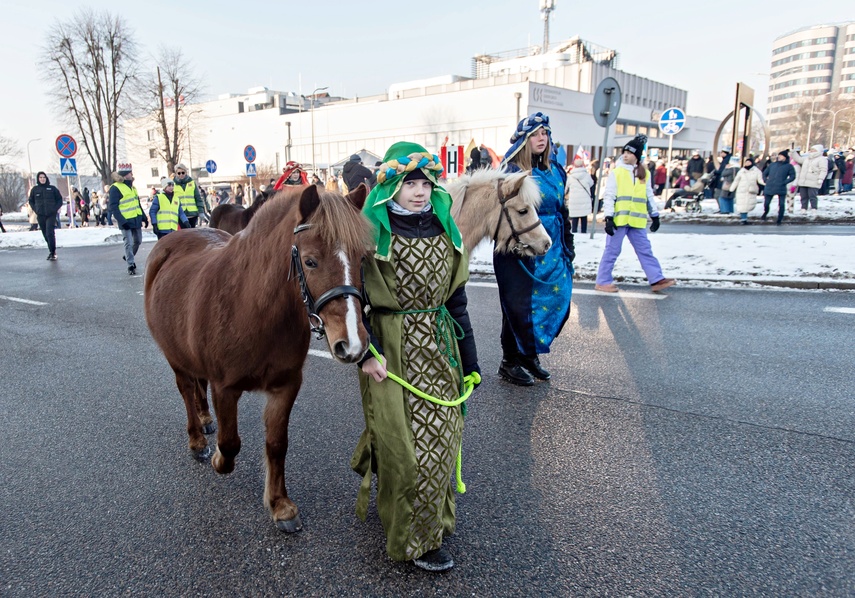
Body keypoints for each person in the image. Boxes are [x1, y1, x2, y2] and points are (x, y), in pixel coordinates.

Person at [353, 141, 480, 572]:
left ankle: (431, 527)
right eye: (410, 183)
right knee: (406, 451)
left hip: (440, 347)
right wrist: (366, 353)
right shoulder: (370, 237)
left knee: (442, 440)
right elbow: (355, 301)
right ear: (391, 186)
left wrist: (471, 360)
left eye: (425, 182)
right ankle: (411, 539)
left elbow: (457, 301)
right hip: (391, 350)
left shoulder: (447, 231)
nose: (420, 191)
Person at [494, 112, 574, 386]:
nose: (542, 139)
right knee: (517, 307)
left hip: (552, 247)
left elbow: (563, 212)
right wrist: (514, 247)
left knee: (551, 302)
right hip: (520, 248)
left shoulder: (556, 171)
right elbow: (504, 215)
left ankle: (529, 355)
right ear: (524, 140)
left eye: (545, 134)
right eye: (535, 134)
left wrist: (568, 246)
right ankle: (509, 361)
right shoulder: (513, 173)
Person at [595, 134, 675, 294]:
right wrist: (609, 217)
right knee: (612, 251)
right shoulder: (617, 173)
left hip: (637, 221)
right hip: (619, 219)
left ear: (637, 156)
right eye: (624, 152)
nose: (625, 155)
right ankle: (602, 281)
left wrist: (655, 215)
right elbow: (609, 196)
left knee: (645, 250)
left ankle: (656, 279)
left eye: (629, 153)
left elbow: (648, 195)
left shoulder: (644, 173)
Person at [108, 163, 149, 275]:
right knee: (128, 243)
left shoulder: (133, 187)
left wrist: (144, 217)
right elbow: (113, 207)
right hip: (125, 220)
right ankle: (130, 264)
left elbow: (137, 204)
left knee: (138, 241)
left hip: (135, 218)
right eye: (130, 173)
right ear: (126, 175)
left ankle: (128, 256)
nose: (132, 174)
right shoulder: (115, 188)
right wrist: (122, 221)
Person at [28, 171, 64, 260]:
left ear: (46, 178)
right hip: (40, 215)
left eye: (44, 177)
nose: (42, 179)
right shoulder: (35, 189)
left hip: (51, 215)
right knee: (45, 234)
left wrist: (54, 209)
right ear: (38, 179)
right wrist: (36, 209)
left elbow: (60, 200)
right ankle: (51, 250)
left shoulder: (52, 189)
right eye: (40, 177)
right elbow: (31, 201)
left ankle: (53, 252)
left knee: (50, 233)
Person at [761, 150, 796, 225]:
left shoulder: (789, 166)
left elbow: (793, 176)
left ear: (785, 157)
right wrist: (765, 180)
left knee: (781, 204)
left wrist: (785, 182)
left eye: (781, 156)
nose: (779, 157)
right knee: (766, 203)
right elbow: (765, 173)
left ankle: (779, 219)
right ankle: (765, 212)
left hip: (781, 187)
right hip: (770, 186)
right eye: (779, 155)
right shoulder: (772, 165)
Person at [792, 145, 828, 212]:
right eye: (811, 149)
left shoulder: (822, 159)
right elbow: (799, 159)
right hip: (804, 181)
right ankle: (803, 208)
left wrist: (821, 178)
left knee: (812, 195)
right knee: (803, 196)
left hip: (814, 181)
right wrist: (793, 152)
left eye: (814, 150)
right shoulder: (807, 158)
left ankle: (813, 208)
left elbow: (823, 170)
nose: (811, 151)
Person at [730, 157, 764, 225]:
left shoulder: (756, 171)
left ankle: (744, 218)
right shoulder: (741, 171)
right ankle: (743, 219)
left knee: (748, 205)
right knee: (742, 205)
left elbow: (760, 180)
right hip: (741, 190)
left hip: (751, 190)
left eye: (749, 162)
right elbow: (736, 181)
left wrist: (765, 184)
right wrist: (731, 189)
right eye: (746, 162)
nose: (747, 163)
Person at [173, 163, 206, 227]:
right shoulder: (173, 184)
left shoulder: (192, 183)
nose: (181, 175)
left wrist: (201, 211)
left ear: (186, 172)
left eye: (183, 172)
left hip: (192, 213)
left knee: (192, 233)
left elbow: (198, 198)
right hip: (180, 213)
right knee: (183, 234)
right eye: (179, 173)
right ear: (176, 174)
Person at [565, 158, 594, 233]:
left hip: (574, 199)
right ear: (582, 165)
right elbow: (591, 183)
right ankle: (584, 231)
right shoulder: (587, 175)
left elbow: (566, 187)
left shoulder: (571, 176)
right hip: (585, 199)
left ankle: (574, 231)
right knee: (584, 216)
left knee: (575, 217)